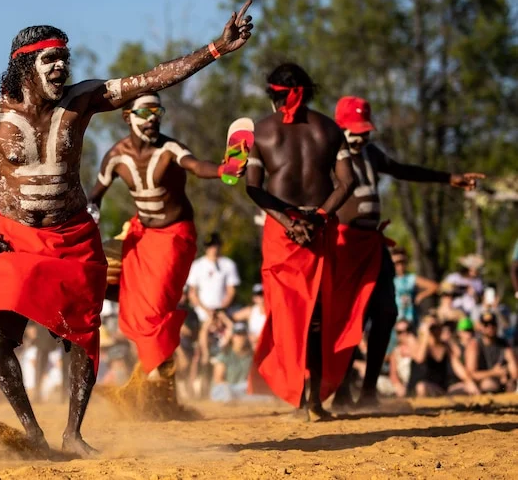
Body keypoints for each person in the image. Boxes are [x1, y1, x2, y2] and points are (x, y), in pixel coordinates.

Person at [0, 5, 253, 454]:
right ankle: (33, 433)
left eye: (65, 57)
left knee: (83, 335)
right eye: (50, 59)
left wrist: (216, 49)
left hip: (72, 236)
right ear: (25, 66)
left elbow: (151, 79)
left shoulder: (83, 99)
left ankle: (73, 434)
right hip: (13, 239)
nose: (61, 66)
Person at [329, 96, 484, 408]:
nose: (362, 137)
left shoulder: (371, 153)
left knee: (386, 312)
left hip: (374, 244)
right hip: (344, 246)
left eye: (365, 130)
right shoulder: (328, 155)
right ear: (340, 128)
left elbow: (402, 170)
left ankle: (369, 392)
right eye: (355, 131)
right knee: (349, 319)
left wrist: (447, 178)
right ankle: (343, 389)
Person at [87, 90, 245, 390]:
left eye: (157, 114)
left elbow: (197, 167)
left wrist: (225, 169)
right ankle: (159, 373)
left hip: (174, 236)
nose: (152, 120)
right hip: (139, 234)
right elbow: (95, 195)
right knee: (108, 286)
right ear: (127, 117)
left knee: (155, 306)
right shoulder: (116, 157)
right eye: (145, 113)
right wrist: (87, 218)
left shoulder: (170, 149)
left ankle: (155, 377)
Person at [244, 63, 356, 419]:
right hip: (320, 226)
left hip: (282, 230)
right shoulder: (330, 129)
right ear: (308, 91)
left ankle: (296, 393)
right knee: (318, 314)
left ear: (273, 95)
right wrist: (318, 218)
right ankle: (314, 400)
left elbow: (252, 187)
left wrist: (288, 222)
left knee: (288, 314)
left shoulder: (260, 132)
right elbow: (347, 184)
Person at [407, 319, 479, 397]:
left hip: (441, 388)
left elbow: (457, 366)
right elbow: (420, 359)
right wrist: (426, 334)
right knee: (422, 387)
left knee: (467, 387)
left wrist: (468, 381)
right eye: (432, 328)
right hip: (421, 388)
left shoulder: (445, 347)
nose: (435, 331)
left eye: (437, 327)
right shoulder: (419, 346)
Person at [187, 233, 242, 324]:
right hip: (201, 314)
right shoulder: (197, 265)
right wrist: (206, 311)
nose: (212, 249)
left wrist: (220, 310)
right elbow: (192, 293)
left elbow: (231, 291)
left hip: (224, 313)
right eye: (209, 246)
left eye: (214, 245)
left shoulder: (229, 264)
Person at [464, 313, 518, 393]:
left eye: (493, 324)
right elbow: (470, 374)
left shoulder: (504, 345)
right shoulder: (474, 345)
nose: (490, 327)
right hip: (481, 385)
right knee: (488, 384)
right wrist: (494, 373)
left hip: (501, 382)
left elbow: (514, 371)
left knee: (512, 385)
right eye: (486, 325)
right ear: (481, 327)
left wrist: (507, 375)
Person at [392, 248, 439, 325]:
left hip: (411, 319)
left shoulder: (411, 278)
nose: (400, 266)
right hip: (395, 322)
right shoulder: (388, 279)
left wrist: (420, 296)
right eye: (396, 263)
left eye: (402, 262)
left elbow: (434, 286)